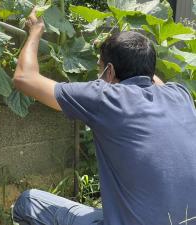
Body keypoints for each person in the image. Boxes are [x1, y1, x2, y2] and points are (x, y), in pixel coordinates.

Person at [11, 7, 196, 225]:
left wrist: (36, 30)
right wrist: (131, 54)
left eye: (100, 68)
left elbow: (24, 77)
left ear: (109, 71)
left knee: (28, 202)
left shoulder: (106, 98)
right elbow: (148, 77)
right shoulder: (179, 94)